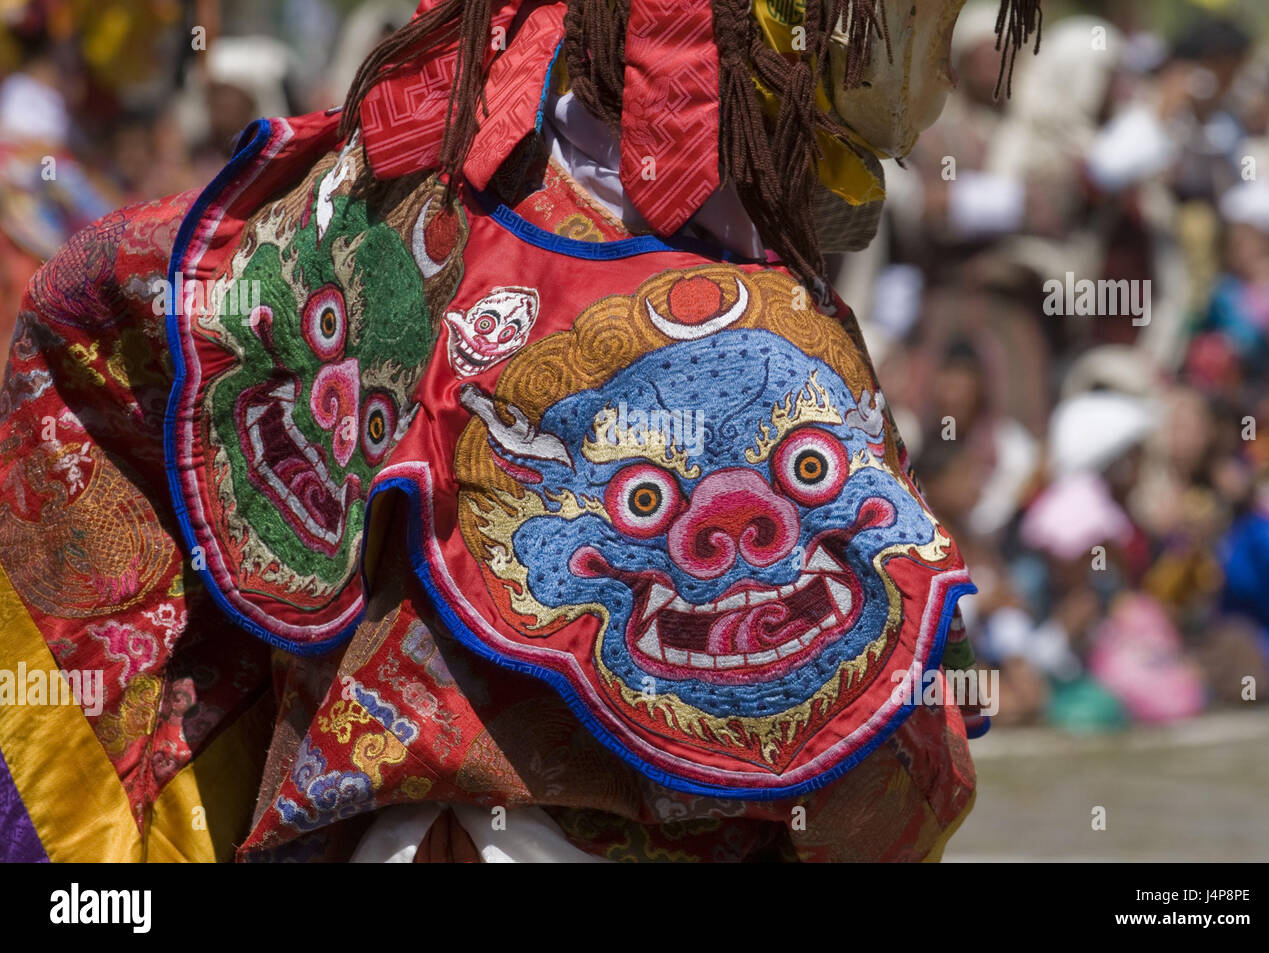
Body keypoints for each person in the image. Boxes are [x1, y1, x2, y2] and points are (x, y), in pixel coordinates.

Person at [0, 0, 1042, 862]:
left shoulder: (393, 214)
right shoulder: (768, 340)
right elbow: (886, 755)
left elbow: (90, 295)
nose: (932, 83)